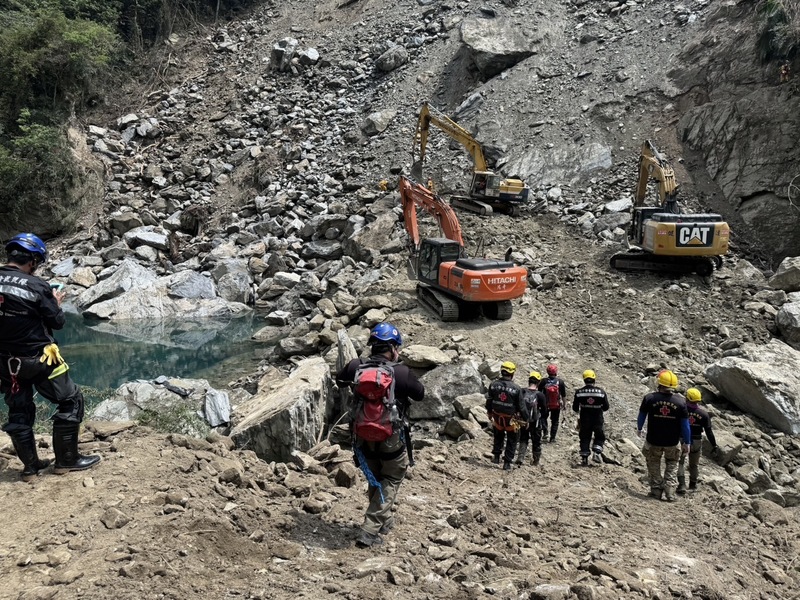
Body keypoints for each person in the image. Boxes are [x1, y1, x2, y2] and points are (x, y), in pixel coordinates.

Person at [0, 234, 101, 482]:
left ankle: (30, 469)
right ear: (33, 260)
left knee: (19, 411)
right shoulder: (36, 286)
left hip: (5, 363)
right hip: (41, 359)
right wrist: (55, 301)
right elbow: (56, 321)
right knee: (70, 401)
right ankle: (67, 461)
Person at [335, 322, 424, 548]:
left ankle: (383, 520)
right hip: (391, 437)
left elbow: (340, 380)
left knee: (375, 477)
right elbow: (420, 394)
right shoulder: (401, 372)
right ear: (393, 348)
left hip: (362, 436)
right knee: (392, 478)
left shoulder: (357, 365)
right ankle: (369, 530)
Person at [637, 370, 691, 502]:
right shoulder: (681, 402)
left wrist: (639, 428)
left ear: (659, 383)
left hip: (653, 440)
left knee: (653, 463)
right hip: (672, 441)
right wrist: (687, 442)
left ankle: (656, 490)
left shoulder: (649, 398)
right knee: (672, 464)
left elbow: (642, 415)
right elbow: (685, 425)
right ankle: (670, 491)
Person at [677, 387, 718, 494]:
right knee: (694, 465)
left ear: (687, 398)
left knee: (680, 462)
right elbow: (709, 431)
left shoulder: (681, 410)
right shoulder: (704, 414)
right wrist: (714, 445)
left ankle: (681, 485)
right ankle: (693, 485)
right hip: (696, 441)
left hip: (682, 440)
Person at [485, 361, 524, 471]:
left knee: (498, 436)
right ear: (512, 373)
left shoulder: (493, 385)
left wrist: (489, 412)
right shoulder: (516, 388)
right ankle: (507, 463)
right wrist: (526, 419)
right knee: (512, 440)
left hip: (497, 417)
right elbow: (521, 406)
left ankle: (496, 457)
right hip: (511, 419)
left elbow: (489, 401)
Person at [573, 369, 610, 467]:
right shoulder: (601, 392)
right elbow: (606, 407)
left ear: (584, 380)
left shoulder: (579, 392)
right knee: (599, 436)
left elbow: (575, 408)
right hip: (598, 419)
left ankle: (584, 458)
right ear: (594, 379)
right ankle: (597, 452)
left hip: (585, 420)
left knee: (584, 437)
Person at [516, 371, 545, 467]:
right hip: (536, 421)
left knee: (523, 438)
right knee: (536, 441)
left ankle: (520, 457)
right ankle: (535, 461)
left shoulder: (522, 391)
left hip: (523, 420)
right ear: (538, 382)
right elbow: (545, 410)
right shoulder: (540, 395)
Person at [538, 364, 566, 443]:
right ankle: (552, 438)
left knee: (543, 418)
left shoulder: (543, 381)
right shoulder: (560, 382)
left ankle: (545, 432)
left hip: (545, 404)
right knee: (555, 421)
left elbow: (539, 393)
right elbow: (563, 395)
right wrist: (564, 404)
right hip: (556, 405)